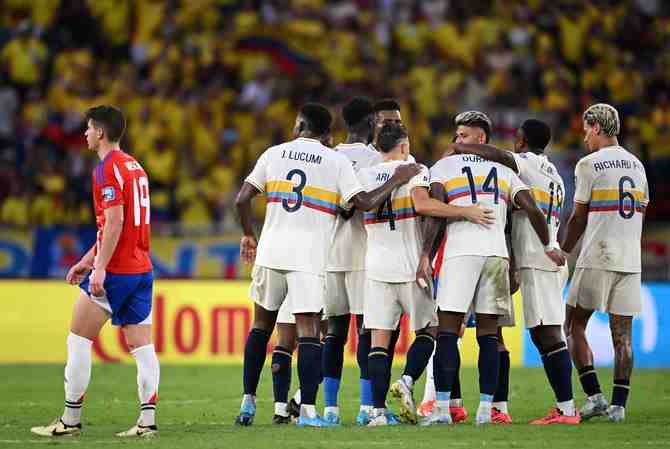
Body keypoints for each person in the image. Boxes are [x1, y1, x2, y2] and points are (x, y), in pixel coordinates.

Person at [233, 103, 421, 427]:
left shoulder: (273, 153)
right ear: (327, 134)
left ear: (300, 125)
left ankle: (247, 403)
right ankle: (308, 410)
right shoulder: (334, 161)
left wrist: (249, 235)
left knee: (261, 328)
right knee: (309, 334)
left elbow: (241, 199)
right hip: (307, 258)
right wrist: (398, 177)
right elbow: (362, 203)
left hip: (270, 252)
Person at [31, 105, 159, 438]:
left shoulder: (106, 169)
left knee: (78, 340)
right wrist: (88, 260)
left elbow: (115, 221)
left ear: (100, 132)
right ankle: (147, 422)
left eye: (88, 128)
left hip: (116, 270)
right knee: (142, 348)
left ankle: (70, 420)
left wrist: (99, 269)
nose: (85, 134)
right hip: (142, 267)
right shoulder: (135, 167)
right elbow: (119, 225)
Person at [418, 110, 552, 426]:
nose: (456, 140)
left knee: (448, 332)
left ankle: (441, 409)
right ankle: (486, 410)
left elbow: (436, 214)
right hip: (496, 255)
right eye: (456, 135)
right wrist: (549, 245)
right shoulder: (504, 171)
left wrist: (426, 253)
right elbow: (532, 208)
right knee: (489, 336)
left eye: (463, 136)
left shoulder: (445, 166)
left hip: (461, 253)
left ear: (480, 139)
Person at [363, 123, 494, 427]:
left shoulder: (364, 175)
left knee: (379, 343)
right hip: (410, 266)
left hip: (376, 267)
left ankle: (378, 413)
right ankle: (407, 380)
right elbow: (423, 205)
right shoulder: (416, 169)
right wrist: (465, 212)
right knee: (430, 332)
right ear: (405, 145)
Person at [449, 118, 578, 424]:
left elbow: (501, 157)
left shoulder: (525, 163)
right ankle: (520, 407)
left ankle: (567, 409)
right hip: (533, 259)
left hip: (538, 257)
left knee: (547, 333)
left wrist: (460, 146)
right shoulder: (554, 174)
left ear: (521, 142)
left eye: (516, 140)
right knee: (527, 331)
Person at [562, 103, 649, 423]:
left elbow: (578, 216)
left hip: (597, 254)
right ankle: (618, 407)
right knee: (623, 335)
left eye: (586, 129)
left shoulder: (589, 164)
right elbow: (642, 211)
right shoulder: (638, 166)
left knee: (572, 325)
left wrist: (563, 250)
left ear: (597, 127)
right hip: (630, 259)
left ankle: (595, 396)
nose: (584, 136)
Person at [321, 97, 382, 425]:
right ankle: (365, 408)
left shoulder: (329, 158)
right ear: (371, 121)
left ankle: (330, 409)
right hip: (363, 253)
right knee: (366, 332)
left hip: (331, 253)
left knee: (334, 331)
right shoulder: (377, 159)